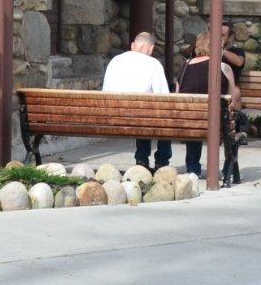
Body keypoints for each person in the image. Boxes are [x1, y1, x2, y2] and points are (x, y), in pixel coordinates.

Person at [175, 30, 244, 178]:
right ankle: (228, 170)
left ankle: (192, 168)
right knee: (235, 120)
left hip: (189, 122)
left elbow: (177, 94)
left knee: (195, 118)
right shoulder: (223, 67)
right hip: (216, 124)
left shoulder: (185, 66)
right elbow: (232, 98)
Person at [101, 31, 171, 170]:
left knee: (144, 113)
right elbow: (164, 98)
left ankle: (141, 160)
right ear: (150, 48)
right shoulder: (153, 64)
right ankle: (160, 161)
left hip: (112, 117)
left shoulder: (115, 61)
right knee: (164, 116)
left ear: (133, 45)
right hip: (140, 118)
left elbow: (105, 91)